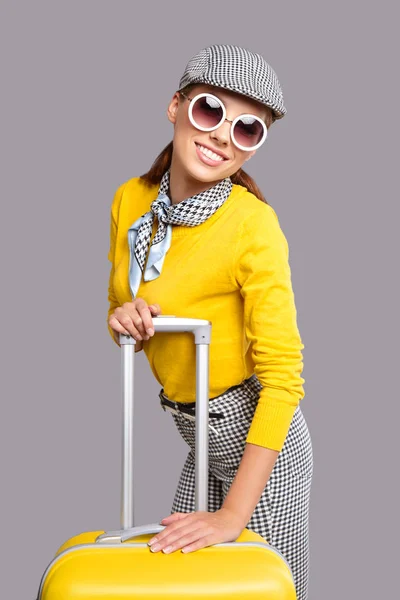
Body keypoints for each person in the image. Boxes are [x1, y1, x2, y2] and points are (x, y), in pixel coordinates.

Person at [107, 44, 313, 600]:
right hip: (200, 434)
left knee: (263, 591)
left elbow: (284, 377)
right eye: (209, 111)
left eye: (248, 128)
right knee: (181, 584)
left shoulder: (252, 225)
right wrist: (123, 317)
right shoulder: (132, 201)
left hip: (262, 447)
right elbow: (120, 308)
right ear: (176, 106)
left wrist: (231, 515)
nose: (223, 135)